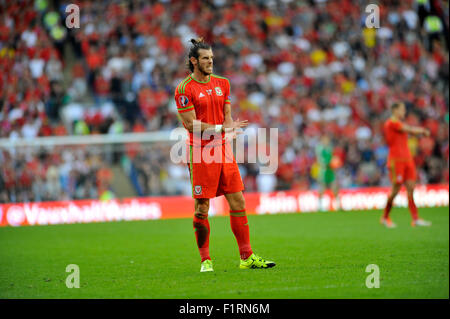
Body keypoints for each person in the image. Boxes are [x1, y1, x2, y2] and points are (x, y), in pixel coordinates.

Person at [174, 38, 276, 272]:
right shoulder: (184, 89)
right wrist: (221, 128)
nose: (211, 61)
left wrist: (229, 130)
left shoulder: (223, 83)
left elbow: (226, 114)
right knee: (202, 207)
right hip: (200, 152)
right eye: (205, 58)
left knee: (238, 200)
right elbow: (191, 125)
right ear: (194, 61)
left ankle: (247, 256)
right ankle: (205, 260)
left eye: (211, 58)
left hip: (223, 149)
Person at [381, 102, 432, 228]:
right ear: (395, 110)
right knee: (395, 190)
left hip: (407, 159)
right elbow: (409, 129)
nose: (404, 112)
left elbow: (407, 129)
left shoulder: (399, 124)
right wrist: (422, 131)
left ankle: (415, 218)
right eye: (402, 110)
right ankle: (385, 217)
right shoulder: (391, 123)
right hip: (396, 160)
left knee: (411, 188)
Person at [315, 135, 340, 211]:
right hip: (324, 170)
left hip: (330, 170)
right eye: (325, 140)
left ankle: (338, 206)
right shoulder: (320, 148)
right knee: (322, 188)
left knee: (335, 187)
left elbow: (332, 158)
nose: (326, 141)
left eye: (327, 140)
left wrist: (334, 163)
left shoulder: (330, 148)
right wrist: (330, 162)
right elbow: (320, 160)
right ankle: (319, 206)